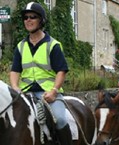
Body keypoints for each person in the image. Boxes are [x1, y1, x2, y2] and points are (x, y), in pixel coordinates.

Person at [10, 2, 71, 145]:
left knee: (60, 119)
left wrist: (54, 91)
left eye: (32, 17)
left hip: (47, 93)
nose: (28, 20)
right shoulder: (20, 46)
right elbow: (15, 71)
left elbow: (61, 71)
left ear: (41, 20)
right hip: (25, 92)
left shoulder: (53, 45)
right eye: (26, 17)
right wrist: (14, 87)